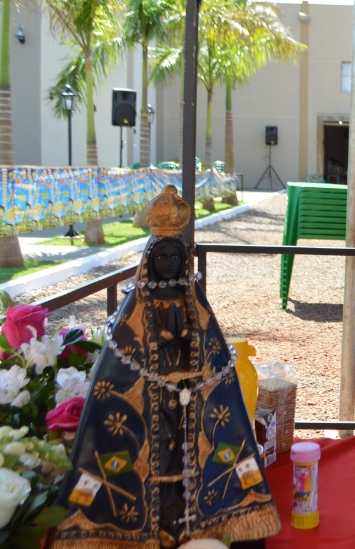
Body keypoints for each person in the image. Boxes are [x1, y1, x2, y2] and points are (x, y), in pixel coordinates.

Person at [52, 185, 281, 548]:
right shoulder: (136, 307)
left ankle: (208, 520)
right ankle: (135, 527)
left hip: (192, 392)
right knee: (151, 453)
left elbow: (209, 350)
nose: (170, 266)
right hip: (149, 395)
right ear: (150, 259)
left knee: (192, 453)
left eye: (176, 259)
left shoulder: (194, 303)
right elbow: (122, 362)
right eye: (164, 259)